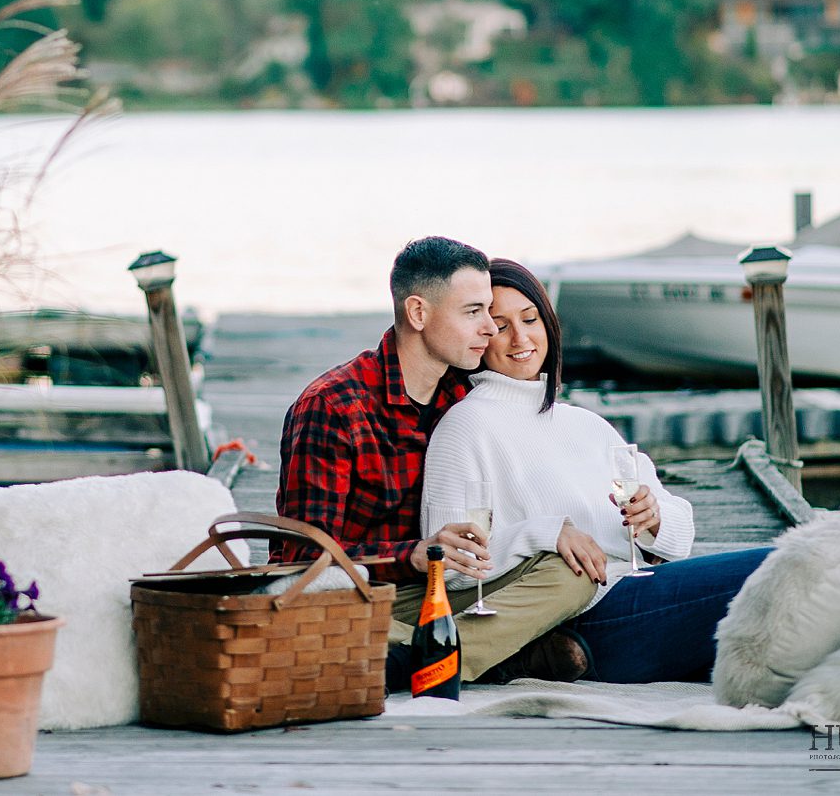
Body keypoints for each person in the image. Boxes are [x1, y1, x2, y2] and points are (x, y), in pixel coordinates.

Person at [421, 258, 769, 683]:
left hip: (642, 589)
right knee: (780, 566)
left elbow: (680, 536)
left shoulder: (586, 424)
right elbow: (450, 570)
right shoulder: (466, 426)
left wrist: (654, 518)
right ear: (480, 338)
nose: (520, 338)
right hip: (583, 613)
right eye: (499, 325)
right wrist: (542, 533)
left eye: (530, 319)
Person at [277, 237, 598, 688]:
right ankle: (476, 656)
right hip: (359, 595)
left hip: (443, 590)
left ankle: (421, 657)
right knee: (321, 619)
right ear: (418, 314)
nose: (490, 329)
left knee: (571, 573)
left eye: (489, 310)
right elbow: (303, 560)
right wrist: (409, 555)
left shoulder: (465, 397)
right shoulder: (333, 407)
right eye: (473, 312)